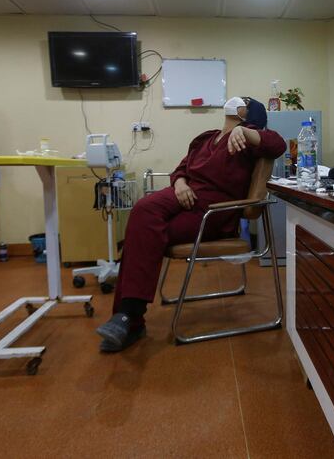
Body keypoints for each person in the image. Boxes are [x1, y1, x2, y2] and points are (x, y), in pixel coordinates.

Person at [96, 96, 286, 352]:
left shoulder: (248, 138)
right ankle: (130, 317)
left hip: (212, 211)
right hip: (183, 194)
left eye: (245, 99)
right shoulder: (205, 138)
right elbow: (181, 168)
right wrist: (180, 182)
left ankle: (129, 316)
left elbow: (278, 145)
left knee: (144, 235)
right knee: (143, 210)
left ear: (246, 113)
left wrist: (248, 132)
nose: (236, 98)